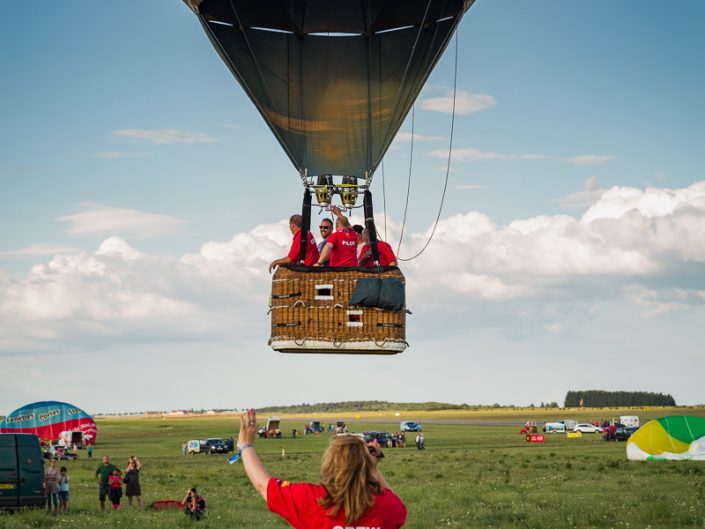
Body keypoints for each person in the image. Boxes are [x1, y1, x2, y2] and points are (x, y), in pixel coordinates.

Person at [236, 409, 407, 528]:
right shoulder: (386, 507)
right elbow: (396, 505)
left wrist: (245, 445)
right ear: (366, 465)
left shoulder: (311, 500)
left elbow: (263, 486)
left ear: (330, 463)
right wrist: (373, 467)